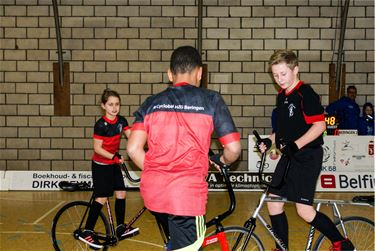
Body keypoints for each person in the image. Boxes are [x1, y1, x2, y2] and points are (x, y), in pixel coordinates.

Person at [127, 45, 241, 251]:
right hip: (186, 198)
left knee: (176, 241)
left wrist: (159, 170)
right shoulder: (212, 100)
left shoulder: (151, 103)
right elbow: (233, 148)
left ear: (170, 74)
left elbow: (133, 149)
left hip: (154, 193)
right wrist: (222, 161)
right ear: (200, 72)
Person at [257, 49, 355, 251]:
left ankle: (341, 243)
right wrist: (269, 140)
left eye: (283, 74)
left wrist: (295, 145)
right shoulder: (281, 98)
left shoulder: (306, 94)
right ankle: (281, 248)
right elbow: (282, 131)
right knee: (273, 203)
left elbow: (319, 126)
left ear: (296, 70)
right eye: (275, 75)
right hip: (290, 156)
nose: (279, 79)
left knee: (304, 210)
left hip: (308, 156)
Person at [78, 88, 139, 249]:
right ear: (103, 106)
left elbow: (133, 137)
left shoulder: (121, 121)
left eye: (117, 104)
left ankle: (120, 228)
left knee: (121, 192)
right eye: (110, 104)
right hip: (101, 165)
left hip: (113, 163)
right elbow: (97, 148)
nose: (114, 107)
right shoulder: (100, 125)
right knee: (101, 198)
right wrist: (113, 156)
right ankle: (87, 231)